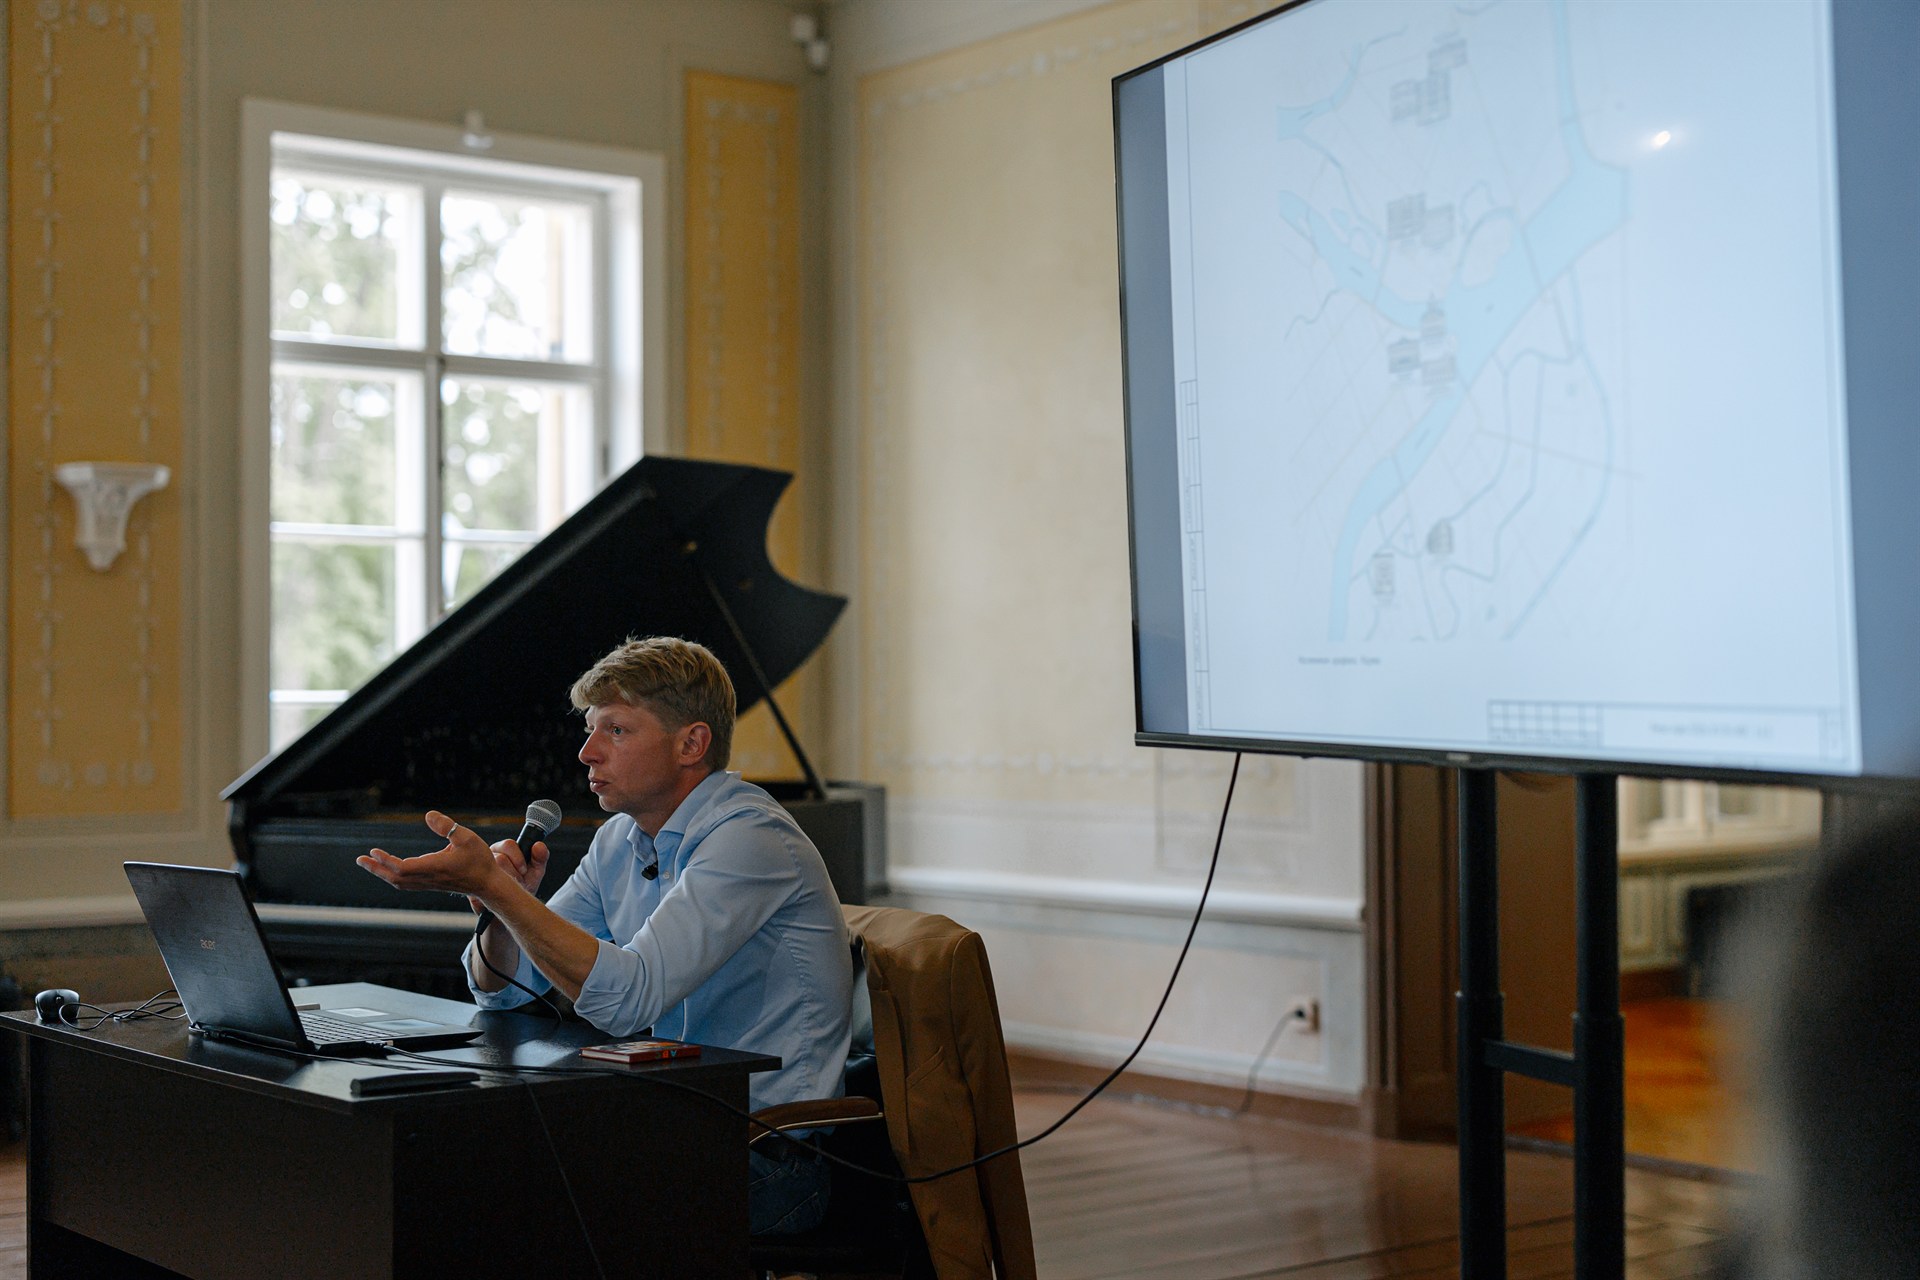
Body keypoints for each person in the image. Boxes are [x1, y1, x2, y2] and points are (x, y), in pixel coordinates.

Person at [357, 635, 853, 1236]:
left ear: (691, 744)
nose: (587, 752)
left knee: (511, 1201)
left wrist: (502, 892)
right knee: (456, 1165)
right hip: (673, 1121)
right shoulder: (620, 838)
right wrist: (501, 903)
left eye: (615, 730)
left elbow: (627, 1002)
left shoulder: (750, 838)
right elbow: (501, 990)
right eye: (590, 729)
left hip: (768, 1158)